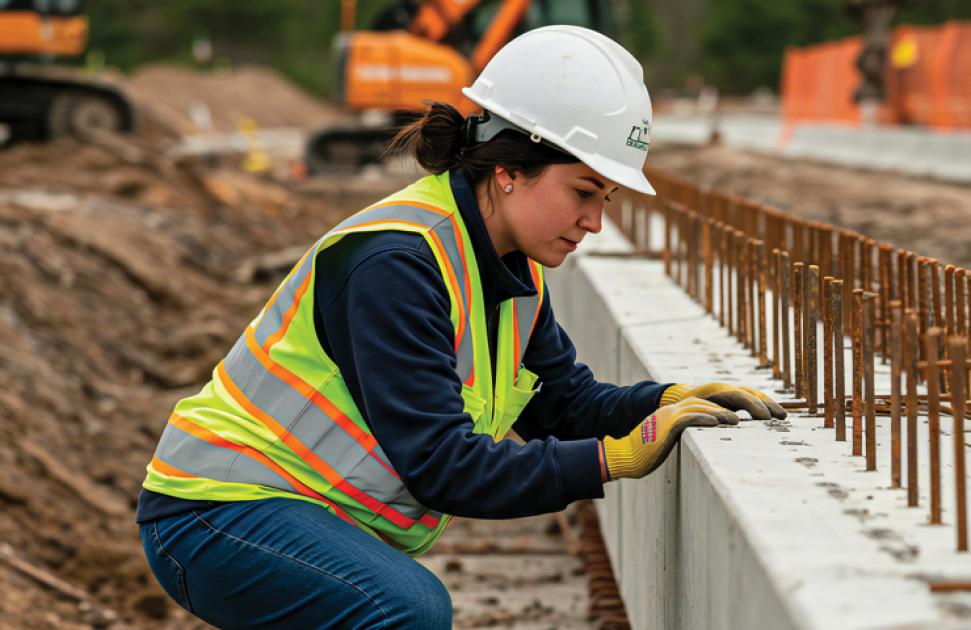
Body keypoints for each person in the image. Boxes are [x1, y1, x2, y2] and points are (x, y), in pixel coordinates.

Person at [136, 25, 785, 629]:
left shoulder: (508, 269)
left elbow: (562, 402)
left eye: (604, 201)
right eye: (583, 193)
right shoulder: (398, 265)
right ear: (507, 171)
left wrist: (666, 401)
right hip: (214, 514)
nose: (593, 222)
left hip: (294, 509)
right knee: (407, 611)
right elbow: (443, 466)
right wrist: (610, 461)